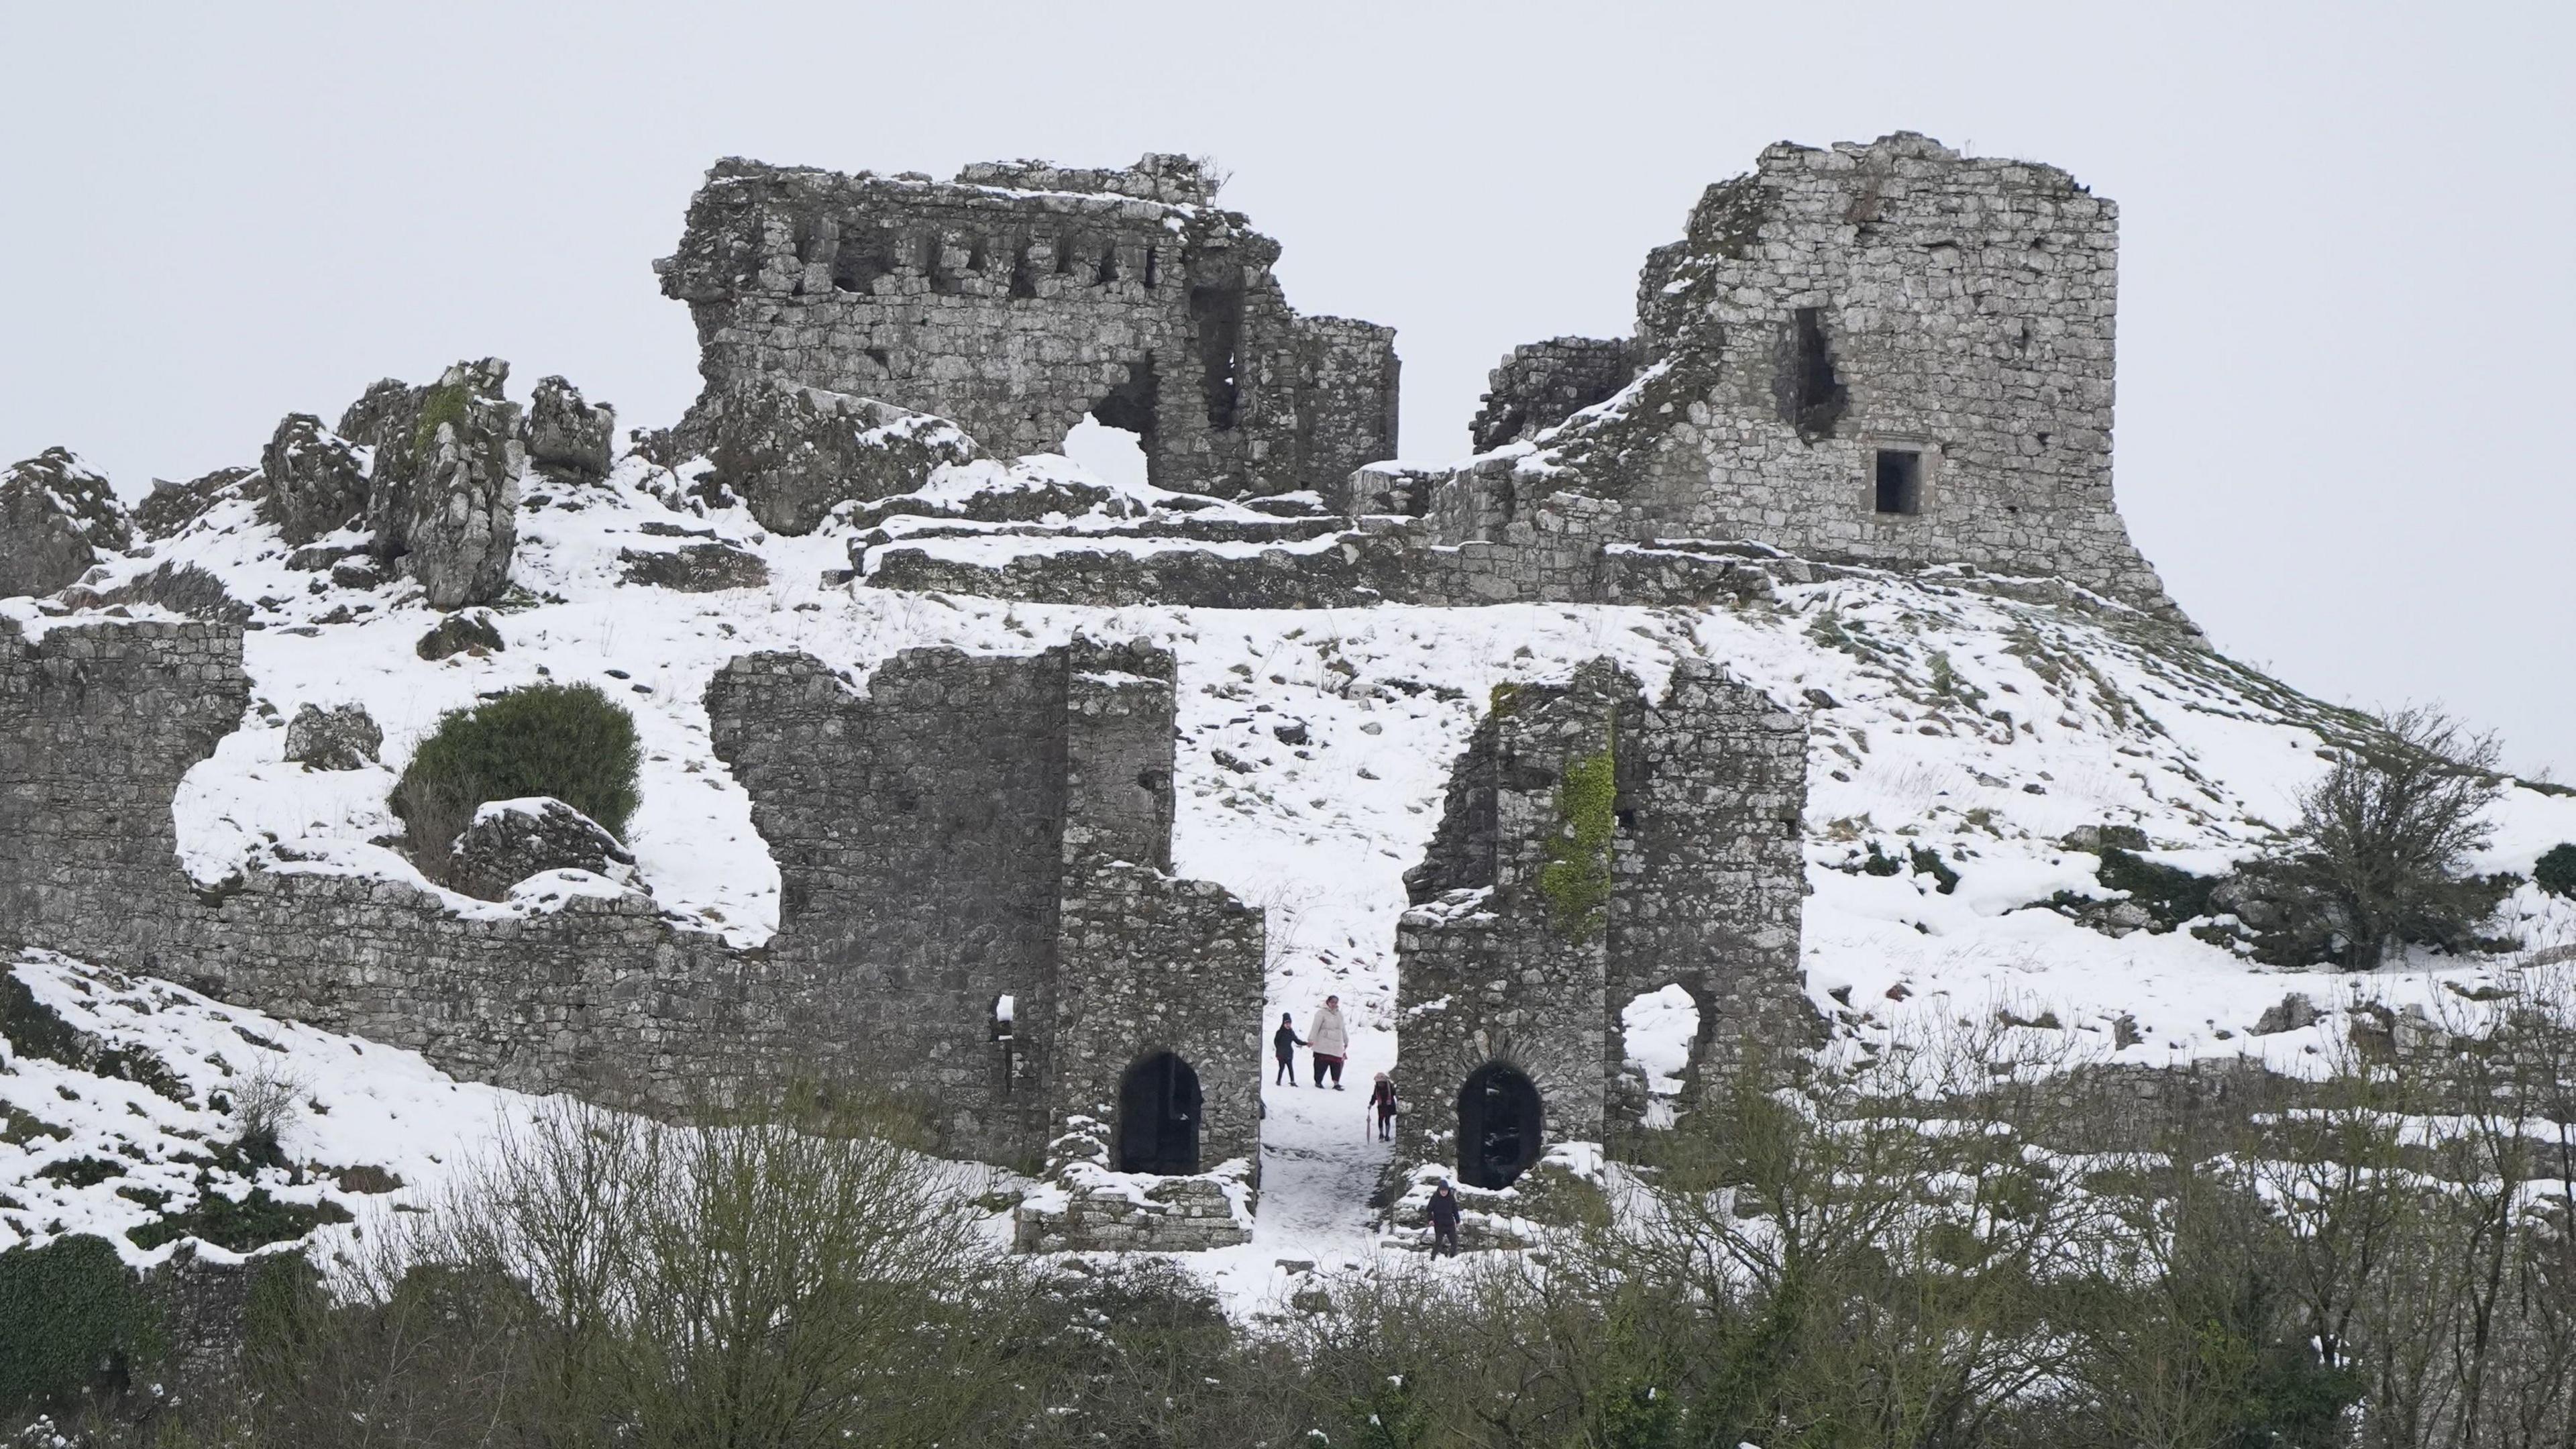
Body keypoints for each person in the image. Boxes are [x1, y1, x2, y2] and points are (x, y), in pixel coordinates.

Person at [1307, 995, 1349, 1089]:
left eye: (1336, 1002)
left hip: (1337, 1044)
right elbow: (1315, 1027)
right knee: (1321, 1064)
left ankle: (1336, 1083)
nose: (1334, 1004)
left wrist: (1346, 1040)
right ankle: (1318, 1082)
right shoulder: (1321, 1013)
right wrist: (1311, 1040)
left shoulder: (1339, 1014)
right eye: (1332, 1002)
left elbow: (1343, 1029)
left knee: (1337, 1064)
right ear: (1328, 1002)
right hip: (1324, 1043)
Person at [1426, 1179, 1461, 1257]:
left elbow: (1455, 1210)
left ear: (1448, 1190)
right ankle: (1432, 1258)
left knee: (1454, 1242)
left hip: (1450, 1224)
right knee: (1438, 1243)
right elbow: (1429, 1210)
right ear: (1439, 1190)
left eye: (1445, 1190)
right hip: (1439, 1225)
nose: (1444, 1192)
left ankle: (1452, 1257)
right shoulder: (1435, 1198)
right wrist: (1431, 1220)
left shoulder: (1451, 1198)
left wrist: (1458, 1221)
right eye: (1442, 1190)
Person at [1272, 1012, 1306, 1085]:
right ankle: (1278, 1081)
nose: (1288, 1025)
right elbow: (1276, 1041)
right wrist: (1279, 1049)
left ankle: (1292, 1081)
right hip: (1281, 1054)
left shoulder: (1291, 1032)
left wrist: (1306, 1043)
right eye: (1286, 1023)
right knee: (1281, 1068)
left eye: (1289, 1023)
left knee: (1290, 1068)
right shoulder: (1279, 1032)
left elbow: (1297, 1041)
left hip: (1289, 1053)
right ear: (1283, 1024)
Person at [1368, 1071, 1398, 1141]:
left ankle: (1387, 1135)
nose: (1380, 1084)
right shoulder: (1377, 1088)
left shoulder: (1390, 1087)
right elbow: (1374, 1096)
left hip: (1389, 1106)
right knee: (1380, 1119)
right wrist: (1371, 1104)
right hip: (1381, 1106)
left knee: (1387, 1120)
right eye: (1379, 1083)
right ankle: (1381, 1134)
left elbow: (1394, 1093)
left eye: (1381, 1082)